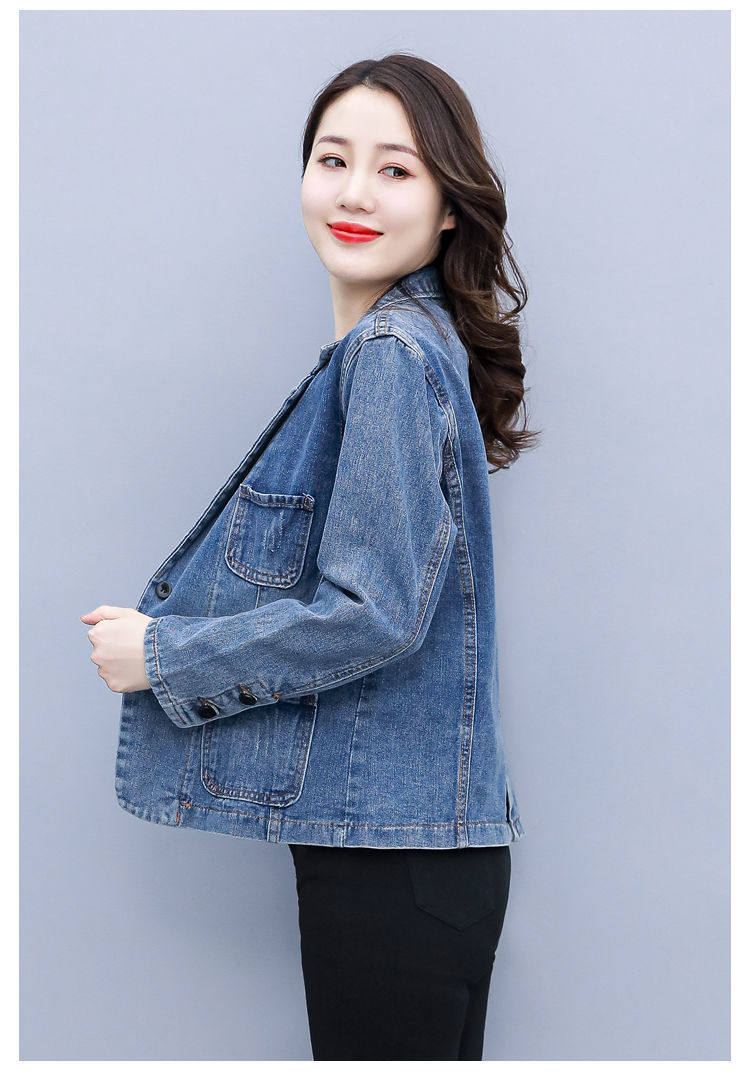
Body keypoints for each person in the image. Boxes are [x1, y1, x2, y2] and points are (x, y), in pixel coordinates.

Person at [81, 53, 538, 1061]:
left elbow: (373, 612)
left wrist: (162, 656)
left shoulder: (390, 358)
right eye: (333, 160)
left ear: (449, 206)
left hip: (390, 865)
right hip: (414, 855)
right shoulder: (412, 346)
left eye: (396, 170)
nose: (355, 193)